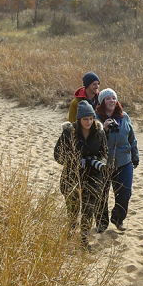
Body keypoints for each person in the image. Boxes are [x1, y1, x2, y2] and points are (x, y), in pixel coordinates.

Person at [55, 100, 109, 249]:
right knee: (73, 210)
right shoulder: (69, 132)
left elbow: (105, 154)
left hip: (93, 177)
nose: (89, 121)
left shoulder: (99, 131)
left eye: (91, 118)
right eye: (85, 119)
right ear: (79, 119)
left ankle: (84, 240)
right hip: (71, 176)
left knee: (88, 209)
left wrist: (97, 162)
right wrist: (75, 161)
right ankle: (71, 232)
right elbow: (57, 155)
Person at [95, 88, 138, 232]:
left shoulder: (124, 116)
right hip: (103, 164)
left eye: (113, 98)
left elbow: (132, 138)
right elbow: (93, 142)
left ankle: (118, 219)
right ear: (102, 102)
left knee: (125, 194)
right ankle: (101, 223)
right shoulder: (95, 118)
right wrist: (104, 131)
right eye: (108, 98)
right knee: (101, 195)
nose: (111, 101)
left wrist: (135, 156)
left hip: (124, 162)